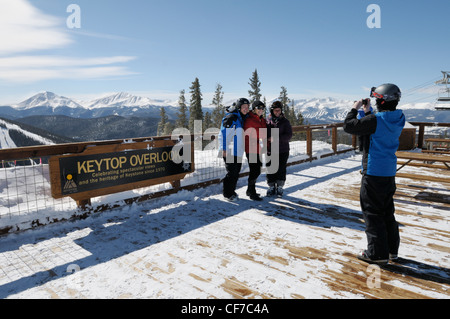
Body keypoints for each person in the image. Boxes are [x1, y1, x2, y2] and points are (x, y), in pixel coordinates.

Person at [343, 83, 405, 265]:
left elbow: (349, 125)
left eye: (377, 99)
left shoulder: (375, 120)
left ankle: (377, 254)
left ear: (382, 101)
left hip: (373, 172)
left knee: (372, 213)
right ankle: (392, 251)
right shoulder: (398, 118)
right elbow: (378, 126)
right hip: (389, 172)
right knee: (387, 212)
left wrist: (354, 108)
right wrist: (368, 112)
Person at [218, 98, 250, 201]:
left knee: (236, 172)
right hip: (229, 150)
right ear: (238, 107)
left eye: (247, 107)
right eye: (244, 107)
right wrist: (224, 148)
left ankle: (231, 192)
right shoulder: (232, 117)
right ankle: (228, 194)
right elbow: (223, 134)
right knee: (231, 173)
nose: (246, 109)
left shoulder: (241, 117)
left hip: (237, 151)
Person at [266, 101, 292, 197]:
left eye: (279, 110)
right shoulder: (267, 121)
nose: (277, 112)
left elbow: (289, 135)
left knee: (281, 168)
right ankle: (271, 186)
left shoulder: (285, 121)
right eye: (275, 110)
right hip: (270, 149)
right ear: (272, 111)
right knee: (270, 168)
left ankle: (280, 187)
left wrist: (276, 139)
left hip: (282, 149)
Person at [243, 100, 268, 201]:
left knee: (258, 169)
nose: (261, 110)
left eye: (262, 109)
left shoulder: (261, 120)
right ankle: (251, 191)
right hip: (251, 147)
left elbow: (264, 132)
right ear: (254, 109)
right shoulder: (250, 120)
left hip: (258, 148)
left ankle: (250, 190)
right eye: (259, 108)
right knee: (255, 170)